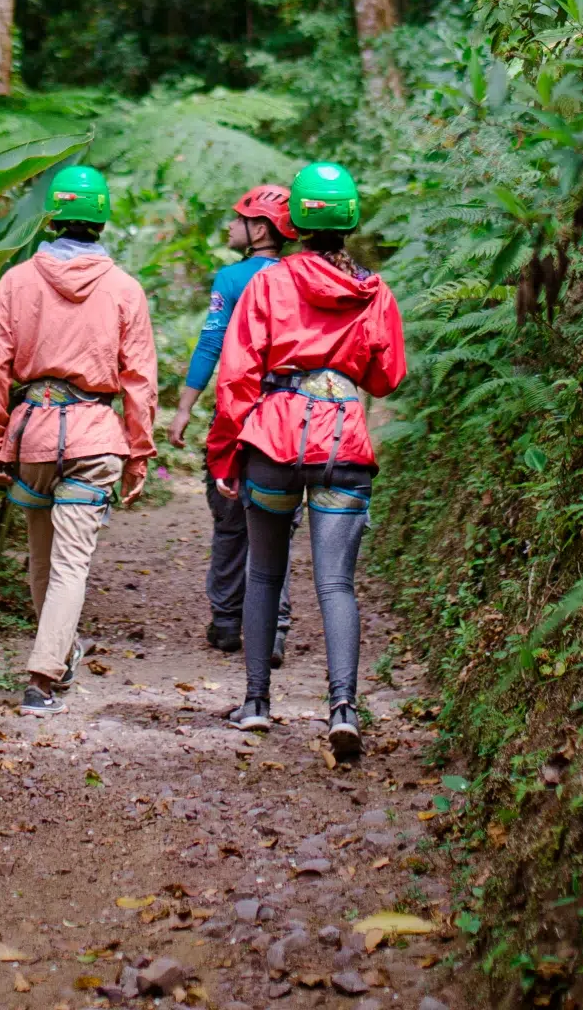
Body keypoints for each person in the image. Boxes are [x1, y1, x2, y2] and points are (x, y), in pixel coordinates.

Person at [204, 160, 406, 764]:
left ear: (293, 219)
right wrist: (341, 371)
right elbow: (387, 376)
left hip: (272, 440)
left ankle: (257, 704)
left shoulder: (268, 284)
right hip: (343, 442)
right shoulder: (373, 289)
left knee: (265, 574)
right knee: (336, 583)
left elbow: (238, 374)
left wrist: (225, 450)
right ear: (350, 222)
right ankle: (343, 710)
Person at [0, 163, 159, 717]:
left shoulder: (16, 281)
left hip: (32, 433)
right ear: (101, 221)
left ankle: (52, 658)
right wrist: (139, 453)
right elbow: (140, 380)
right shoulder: (124, 289)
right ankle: (43, 676)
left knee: (41, 555)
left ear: (52, 216)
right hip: (94, 438)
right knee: (70, 564)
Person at [168, 185, 295, 654]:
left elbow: (210, 344)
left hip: (236, 416)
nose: (229, 225)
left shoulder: (232, 278)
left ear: (259, 228)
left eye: (237, 217)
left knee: (229, 521)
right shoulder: (300, 277)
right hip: (287, 416)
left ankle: (225, 622)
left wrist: (184, 407)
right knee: (278, 527)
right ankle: (274, 630)